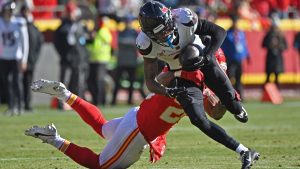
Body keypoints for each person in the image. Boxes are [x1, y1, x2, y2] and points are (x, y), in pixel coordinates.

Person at [25, 77, 258, 168]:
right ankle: (53, 139)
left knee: (103, 128)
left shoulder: (180, 72)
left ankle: (65, 95)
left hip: (137, 115)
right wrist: (229, 100)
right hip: (139, 130)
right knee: (100, 165)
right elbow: (213, 116)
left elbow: (158, 80)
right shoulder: (196, 90)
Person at [136, 2, 259, 168]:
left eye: (168, 24)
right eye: (162, 30)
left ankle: (235, 106)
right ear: (151, 34)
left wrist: (208, 56)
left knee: (233, 105)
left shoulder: (184, 18)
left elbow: (219, 32)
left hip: (202, 60)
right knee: (198, 119)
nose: (168, 29)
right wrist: (168, 91)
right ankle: (244, 152)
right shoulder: (146, 43)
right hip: (181, 75)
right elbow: (150, 81)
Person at [53, 1, 89, 105]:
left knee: (78, 83)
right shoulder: (61, 27)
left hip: (78, 58)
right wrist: (63, 55)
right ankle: (61, 104)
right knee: (64, 83)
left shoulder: (81, 26)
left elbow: (84, 42)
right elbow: (57, 43)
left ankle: (80, 105)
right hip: (66, 59)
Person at [0, 1, 29, 115]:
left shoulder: (19, 22)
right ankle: (11, 106)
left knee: (17, 82)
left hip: (16, 57)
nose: (9, 13)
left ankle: (20, 105)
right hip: (3, 57)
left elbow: (25, 42)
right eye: (7, 11)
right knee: (7, 82)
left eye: (11, 11)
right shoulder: (1, 23)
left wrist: (24, 59)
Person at [20, 4, 44, 111]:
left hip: (30, 60)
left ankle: (27, 103)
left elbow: (39, 43)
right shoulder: (19, 25)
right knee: (17, 82)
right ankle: (18, 103)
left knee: (29, 82)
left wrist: (34, 58)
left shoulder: (33, 27)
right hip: (18, 60)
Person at [111, 15, 139, 105]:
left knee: (132, 82)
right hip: (122, 61)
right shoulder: (121, 32)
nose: (128, 23)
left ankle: (130, 100)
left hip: (132, 62)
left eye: (129, 22)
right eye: (126, 22)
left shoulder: (135, 33)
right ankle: (113, 101)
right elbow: (118, 42)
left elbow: (137, 44)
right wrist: (130, 43)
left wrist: (127, 43)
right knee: (117, 82)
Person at [221, 15, 250, 100]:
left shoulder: (241, 33)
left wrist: (247, 55)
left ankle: (240, 95)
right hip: (230, 59)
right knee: (230, 78)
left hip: (239, 59)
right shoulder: (228, 33)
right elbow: (224, 47)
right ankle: (230, 95)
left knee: (239, 78)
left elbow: (244, 45)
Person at [86, 15, 112, 106]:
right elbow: (91, 45)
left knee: (98, 81)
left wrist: (93, 35)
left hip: (101, 60)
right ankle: (97, 99)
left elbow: (104, 41)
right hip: (93, 59)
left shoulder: (103, 32)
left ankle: (100, 100)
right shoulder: (97, 32)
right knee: (92, 81)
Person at [262, 18, 287, 87]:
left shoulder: (281, 35)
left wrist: (278, 46)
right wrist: (270, 45)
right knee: (268, 76)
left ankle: (277, 93)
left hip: (277, 58)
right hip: (270, 57)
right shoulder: (269, 34)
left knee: (277, 76)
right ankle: (266, 91)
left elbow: (285, 46)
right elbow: (263, 44)